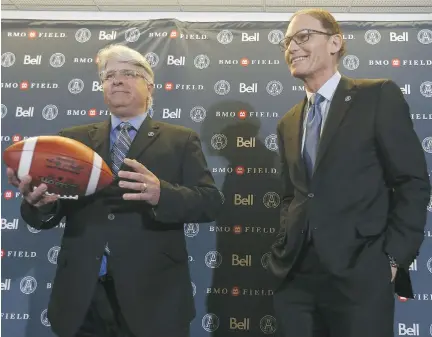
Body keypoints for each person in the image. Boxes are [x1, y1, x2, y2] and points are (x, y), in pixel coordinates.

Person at [7, 43, 223, 337]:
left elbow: (210, 202)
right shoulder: (72, 141)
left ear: (150, 87)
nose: (117, 80)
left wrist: (162, 193)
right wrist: (39, 203)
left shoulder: (181, 140)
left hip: (153, 297)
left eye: (128, 73)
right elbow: (47, 213)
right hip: (83, 298)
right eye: (108, 76)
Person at [268, 8, 431, 337]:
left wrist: (391, 259)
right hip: (296, 276)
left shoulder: (376, 96)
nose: (292, 48)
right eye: (287, 42)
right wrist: (285, 246)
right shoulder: (287, 121)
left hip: (360, 273)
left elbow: (411, 183)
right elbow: (292, 195)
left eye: (303, 37)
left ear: (335, 42)